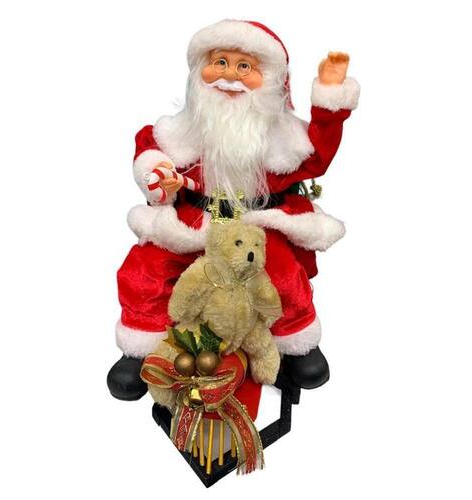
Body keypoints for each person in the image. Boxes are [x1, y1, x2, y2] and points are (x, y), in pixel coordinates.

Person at [107, 20, 360, 400]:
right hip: (194, 221)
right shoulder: (180, 131)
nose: (229, 76)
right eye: (220, 62)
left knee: (281, 272)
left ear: (270, 80)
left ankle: (297, 341)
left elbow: (317, 154)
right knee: (148, 267)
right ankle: (140, 345)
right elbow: (150, 154)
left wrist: (329, 100)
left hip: (256, 223)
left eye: (244, 66)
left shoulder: (282, 137)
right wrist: (158, 177)